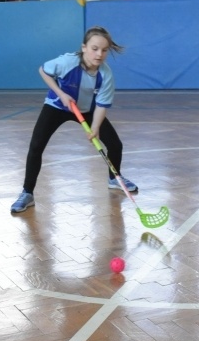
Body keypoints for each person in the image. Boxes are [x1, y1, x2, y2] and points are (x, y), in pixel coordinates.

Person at [10, 26, 137, 213]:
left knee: (115, 145)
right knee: (36, 146)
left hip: (86, 110)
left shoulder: (106, 75)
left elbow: (102, 105)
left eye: (104, 50)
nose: (99, 54)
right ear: (84, 47)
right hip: (57, 106)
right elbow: (43, 70)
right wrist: (60, 93)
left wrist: (94, 128)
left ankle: (114, 179)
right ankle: (27, 193)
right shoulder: (68, 62)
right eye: (94, 48)